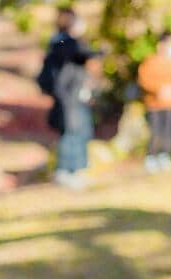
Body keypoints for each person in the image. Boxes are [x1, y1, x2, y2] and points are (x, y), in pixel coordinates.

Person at [37, 6, 99, 188]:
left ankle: (76, 169)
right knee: (70, 133)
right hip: (68, 97)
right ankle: (65, 171)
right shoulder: (63, 43)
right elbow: (79, 53)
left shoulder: (65, 43)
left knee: (80, 132)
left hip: (76, 96)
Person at [138, 34, 171, 173]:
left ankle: (164, 155)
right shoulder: (151, 62)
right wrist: (159, 89)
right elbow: (145, 79)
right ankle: (151, 157)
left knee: (168, 131)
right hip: (154, 104)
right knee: (156, 132)